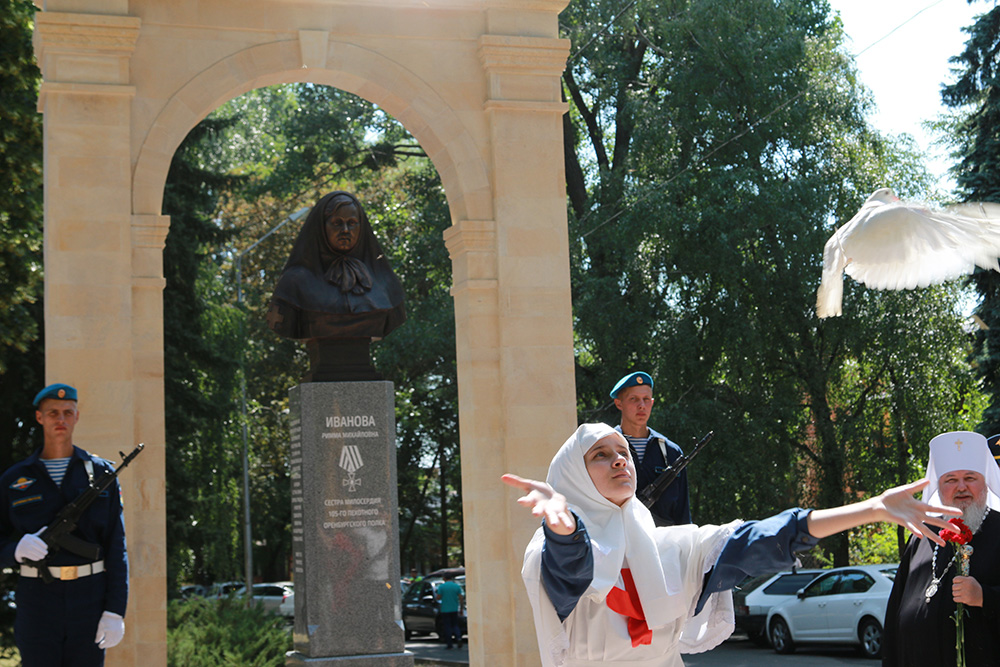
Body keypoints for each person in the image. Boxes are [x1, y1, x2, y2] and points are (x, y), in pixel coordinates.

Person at [502, 423, 960, 667]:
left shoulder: (677, 547)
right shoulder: (554, 548)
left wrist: (872, 508)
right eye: (599, 455)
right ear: (574, 478)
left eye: (621, 451)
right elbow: (572, 573)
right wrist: (563, 530)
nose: (618, 459)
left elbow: (764, 539)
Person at [0, 383, 128, 666]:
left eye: (68, 413)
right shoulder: (14, 479)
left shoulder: (101, 473)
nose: (61, 419)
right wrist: (15, 550)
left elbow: (116, 547)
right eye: (53, 413)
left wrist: (115, 611)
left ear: (77, 417)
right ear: (39, 417)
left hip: (90, 598)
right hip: (37, 601)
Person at [883, 431, 1000, 667]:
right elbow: (895, 610)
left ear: (985, 483)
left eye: (970, 478)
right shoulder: (921, 535)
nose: (961, 487)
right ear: (940, 487)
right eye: (950, 480)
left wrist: (985, 597)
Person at [267, 191, 406, 341]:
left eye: (352, 223)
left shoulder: (384, 281)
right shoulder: (294, 282)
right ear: (321, 227)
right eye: (337, 223)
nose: (345, 230)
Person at [610, 372, 691, 526]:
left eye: (646, 399)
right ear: (619, 404)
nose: (641, 405)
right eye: (633, 399)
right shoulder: (606, 448)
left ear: (652, 402)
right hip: (621, 543)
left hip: (667, 545)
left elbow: (683, 513)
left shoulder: (671, 452)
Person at [435, 571, 464, 649]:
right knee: (455, 625)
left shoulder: (442, 587)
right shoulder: (456, 586)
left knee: (447, 626)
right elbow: (461, 597)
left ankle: (449, 643)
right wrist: (461, 608)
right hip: (454, 608)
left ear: (444, 578)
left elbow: (438, 597)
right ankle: (458, 638)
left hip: (445, 609)